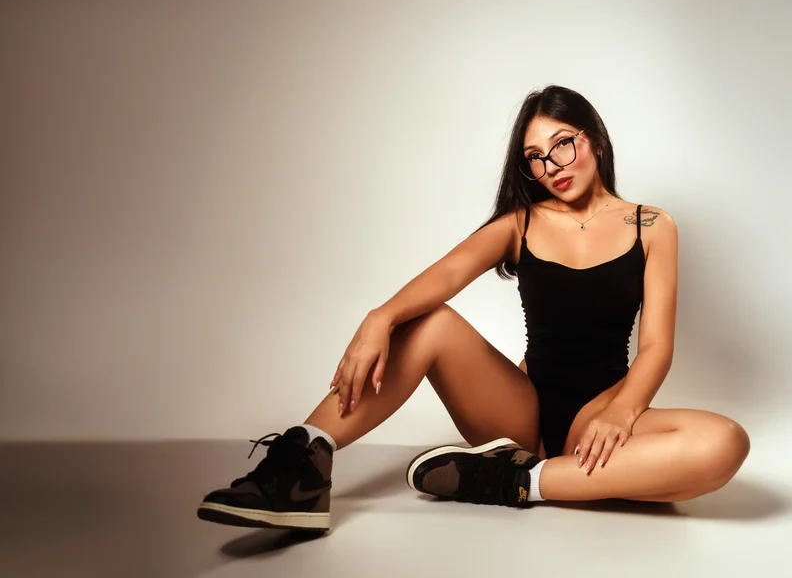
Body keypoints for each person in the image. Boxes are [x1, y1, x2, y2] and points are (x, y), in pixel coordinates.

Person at [196, 85, 751, 530]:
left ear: (595, 140)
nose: (552, 165)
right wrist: (378, 318)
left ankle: (516, 481)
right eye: (535, 158)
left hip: (602, 413)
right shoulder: (521, 224)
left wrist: (621, 412)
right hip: (519, 410)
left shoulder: (652, 225)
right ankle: (299, 466)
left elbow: (655, 348)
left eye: (563, 144)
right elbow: (446, 276)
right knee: (431, 322)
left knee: (723, 444)